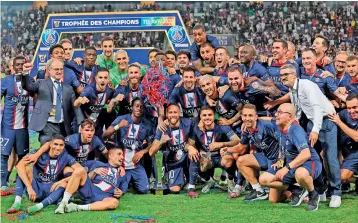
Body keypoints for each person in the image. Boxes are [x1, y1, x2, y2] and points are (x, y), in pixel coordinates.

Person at [279, 64, 342, 208]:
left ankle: (336, 193)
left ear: (294, 75)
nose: (283, 77)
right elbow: (299, 110)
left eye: (286, 74)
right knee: (314, 157)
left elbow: (317, 108)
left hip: (327, 120)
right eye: (281, 75)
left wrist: (315, 130)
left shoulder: (307, 85)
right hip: (311, 122)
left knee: (330, 157)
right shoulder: (292, 89)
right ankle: (321, 189)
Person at [259, 103, 322, 211]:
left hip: (309, 162)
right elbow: (269, 120)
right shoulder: (280, 125)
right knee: (264, 179)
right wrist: (254, 119)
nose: (276, 115)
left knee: (300, 174)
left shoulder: (296, 130)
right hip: (291, 164)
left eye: (280, 112)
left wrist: (285, 168)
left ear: (290, 116)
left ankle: (313, 194)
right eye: (276, 112)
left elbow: (306, 154)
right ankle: (296, 189)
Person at [7, 135, 81, 214]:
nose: (58, 148)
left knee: (67, 178)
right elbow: (19, 166)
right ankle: (17, 202)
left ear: (64, 146)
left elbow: (80, 171)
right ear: (50, 144)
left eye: (61, 145)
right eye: (55, 144)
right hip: (35, 189)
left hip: (52, 189)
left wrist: (62, 181)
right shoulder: (37, 154)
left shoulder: (66, 157)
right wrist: (29, 187)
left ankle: (39, 206)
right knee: (24, 171)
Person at [222, 104, 280, 201]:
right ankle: (259, 191)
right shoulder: (246, 129)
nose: (247, 118)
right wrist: (227, 149)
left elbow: (282, 142)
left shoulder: (266, 126)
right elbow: (241, 147)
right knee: (241, 160)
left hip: (277, 160)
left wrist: (280, 160)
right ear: (241, 117)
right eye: (245, 115)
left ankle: (295, 189)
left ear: (256, 117)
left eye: (250, 115)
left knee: (274, 199)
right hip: (265, 157)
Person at [21, 58, 84, 145]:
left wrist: (81, 123)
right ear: (49, 70)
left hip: (63, 125)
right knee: (46, 148)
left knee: (61, 151)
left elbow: (75, 107)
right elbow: (28, 86)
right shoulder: (41, 83)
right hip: (47, 124)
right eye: (56, 69)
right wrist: (25, 73)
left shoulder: (68, 88)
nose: (59, 71)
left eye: (61, 69)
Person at [103, 98, 155, 194]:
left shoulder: (147, 124)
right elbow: (105, 135)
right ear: (132, 108)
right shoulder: (122, 119)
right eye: (136, 106)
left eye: (141, 107)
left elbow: (152, 145)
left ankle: (133, 181)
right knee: (119, 191)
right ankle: (126, 181)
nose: (139, 109)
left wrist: (142, 152)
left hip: (136, 166)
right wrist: (118, 126)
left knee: (144, 190)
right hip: (121, 165)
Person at [149, 103, 200, 198]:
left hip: (183, 159)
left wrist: (189, 147)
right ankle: (161, 180)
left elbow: (191, 143)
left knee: (194, 151)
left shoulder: (188, 123)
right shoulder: (162, 128)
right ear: (166, 114)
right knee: (174, 189)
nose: (173, 115)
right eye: (170, 112)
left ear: (179, 113)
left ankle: (191, 187)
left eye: (175, 112)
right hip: (171, 162)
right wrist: (161, 142)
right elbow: (151, 152)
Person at [54, 147, 126, 214]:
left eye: (122, 155)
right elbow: (79, 169)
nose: (122, 157)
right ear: (110, 156)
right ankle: (63, 203)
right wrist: (94, 171)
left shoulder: (121, 173)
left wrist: (121, 192)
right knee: (79, 170)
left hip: (104, 196)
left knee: (114, 202)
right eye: (119, 154)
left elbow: (123, 188)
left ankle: (76, 207)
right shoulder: (97, 163)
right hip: (90, 189)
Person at [1, 56, 30, 195]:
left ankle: (20, 180)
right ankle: (2, 183)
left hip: (23, 127)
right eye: (17, 64)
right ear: (13, 66)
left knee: (22, 155)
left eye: (22, 64)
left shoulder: (29, 80)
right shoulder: (6, 81)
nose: (20, 66)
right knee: (4, 154)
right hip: (8, 126)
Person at [193, 106, 240, 193]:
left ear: (214, 116)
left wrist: (221, 144)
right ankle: (210, 181)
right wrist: (197, 150)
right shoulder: (196, 129)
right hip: (208, 157)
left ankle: (230, 180)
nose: (207, 117)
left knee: (228, 160)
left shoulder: (222, 126)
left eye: (210, 115)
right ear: (200, 117)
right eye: (204, 115)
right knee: (194, 158)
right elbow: (190, 143)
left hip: (221, 156)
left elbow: (237, 141)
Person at [329, 93, 358, 194]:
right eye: (349, 108)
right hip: (352, 152)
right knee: (342, 177)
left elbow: (357, 137)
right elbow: (332, 116)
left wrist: (339, 123)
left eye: (355, 107)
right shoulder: (345, 113)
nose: (351, 111)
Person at [74, 67, 114, 138]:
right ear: (96, 78)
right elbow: (75, 103)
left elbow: (110, 104)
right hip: (83, 122)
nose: (103, 80)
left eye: (105, 78)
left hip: (96, 123)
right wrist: (80, 100)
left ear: (108, 79)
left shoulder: (110, 91)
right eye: (100, 77)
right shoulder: (89, 90)